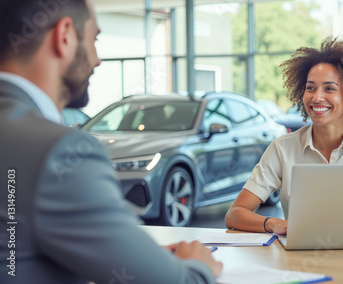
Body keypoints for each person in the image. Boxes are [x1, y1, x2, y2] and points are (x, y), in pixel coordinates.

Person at [0, 0, 221, 283]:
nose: (97, 59)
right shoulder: (58, 151)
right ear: (64, 36)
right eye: (94, 40)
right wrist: (198, 267)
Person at [225, 37, 343, 235]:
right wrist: (272, 223)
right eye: (310, 88)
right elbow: (235, 214)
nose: (317, 97)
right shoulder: (283, 149)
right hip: (300, 257)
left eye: (329, 88)